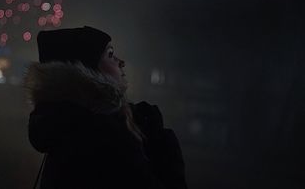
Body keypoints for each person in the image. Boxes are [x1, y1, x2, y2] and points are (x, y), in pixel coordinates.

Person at [24, 26, 187, 189]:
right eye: (110, 54)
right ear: (86, 72)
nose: (121, 62)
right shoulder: (103, 136)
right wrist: (164, 146)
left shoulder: (67, 126)